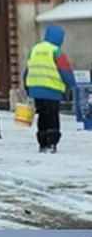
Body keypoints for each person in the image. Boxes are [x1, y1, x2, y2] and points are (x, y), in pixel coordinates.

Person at [24, 24, 77, 153]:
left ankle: (42, 143)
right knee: (52, 116)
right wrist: (72, 85)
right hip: (52, 90)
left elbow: (27, 71)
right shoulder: (56, 51)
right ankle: (52, 142)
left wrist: (27, 87)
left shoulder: (34, 50)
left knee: (42, 116)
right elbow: (65, 71)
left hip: (36, 90)